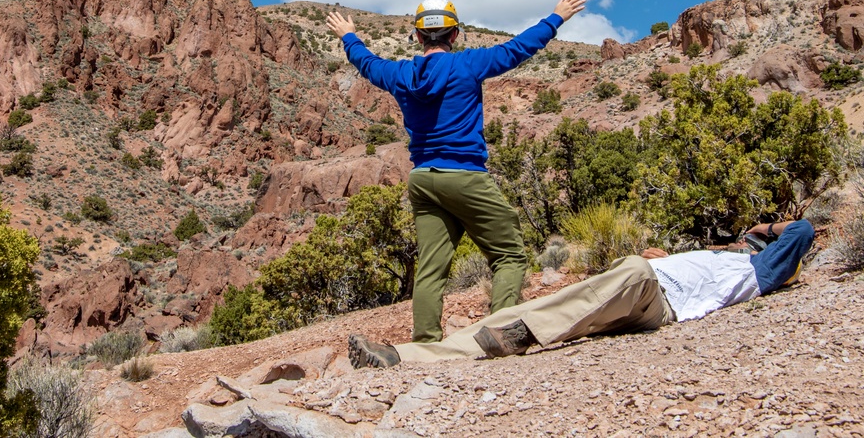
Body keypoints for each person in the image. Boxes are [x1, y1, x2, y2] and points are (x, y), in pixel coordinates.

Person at [326, 0, 587, 343]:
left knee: (431, 270)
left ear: (417, 36)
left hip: (422, 180)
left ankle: (425, 345)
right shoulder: (468, 64)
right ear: (455, 34)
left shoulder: (399, 74)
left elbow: (368, 63)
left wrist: (348, 35)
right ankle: (501, 332)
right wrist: (556, 18)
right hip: (464, 175)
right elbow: (517, 49)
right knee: (509, 254)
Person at [348, 219, 815, 368]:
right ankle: (407, 358)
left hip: (653, 295)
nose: (743, 243)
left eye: (751, 243)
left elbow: (804, 230)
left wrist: (765, 229)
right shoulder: (720, 259)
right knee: (564, 303)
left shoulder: (760, 270)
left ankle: (518, 331)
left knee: (626, 270)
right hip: (648, 292)